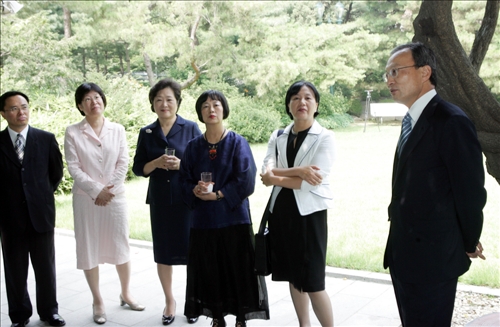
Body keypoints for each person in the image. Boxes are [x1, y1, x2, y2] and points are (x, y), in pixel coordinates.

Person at [382, 42, 487, 327]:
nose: (389, 79)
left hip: (433, 260)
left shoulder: (450, 121)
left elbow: (470, 191)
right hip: (404, 255)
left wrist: (468, 240)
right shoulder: (411, 120)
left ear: (425, 71)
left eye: (396, 71)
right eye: (386, 74)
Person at [179, 90, 269, 327]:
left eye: (216, 105)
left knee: (238, 270)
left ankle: (241, 317)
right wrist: (195, 191)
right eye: (206, 106)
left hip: (233, 220)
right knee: (209, 271)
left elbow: (246, 180)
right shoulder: (193, 147)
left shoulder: (237, 142)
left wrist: (218, 194)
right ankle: (217, 317)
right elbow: (184, 179)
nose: (211, 110)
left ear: (224, 110)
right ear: (200, 112)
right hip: (203, 221)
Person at [64, 83, 145, 325]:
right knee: (89, 248)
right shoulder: (73, 132)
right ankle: (97, 301)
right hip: (86, 200)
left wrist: (107, 190)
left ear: (103, 100)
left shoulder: (117, 129)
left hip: (115, 197)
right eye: (87, 99)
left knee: (120, 244)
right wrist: (96, 190)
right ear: (80, 106)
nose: (93, 102)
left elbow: (123, 160)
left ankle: (126, 292)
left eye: (97, 97)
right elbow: (73, 166)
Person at [260, 81, 336, 327]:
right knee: (294, 276)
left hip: (309, 216)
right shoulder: (279, 135)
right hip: (282, 213)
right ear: (288, 105)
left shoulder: (325, 137)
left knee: (313, 282)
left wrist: (279, 177)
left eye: (308, 98)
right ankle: (304, 325)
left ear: (316, 105)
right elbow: (265, 173)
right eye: (295, 98)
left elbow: (312, 183)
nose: (301, 102)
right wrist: (299, 171)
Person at [132, 78, 202, 325]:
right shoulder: (147, 132)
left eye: (169, 99)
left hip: (186, 200)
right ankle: (169, 301)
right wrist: (155, 163)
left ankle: (193, 302)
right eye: (159, 100)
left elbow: (201, 166)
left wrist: (181, 165)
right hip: (160, 201)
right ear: (152, 104)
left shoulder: (192, 128)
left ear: (178, 103)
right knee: (163, 253)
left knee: (192, 252)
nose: (164, 104)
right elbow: (138, 168)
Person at [0, 91, 66, 327]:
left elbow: (56, 174)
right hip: (9, 219)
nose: (21, 112)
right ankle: (19, 315)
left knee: (46, 268)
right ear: (3, 113)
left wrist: (40, 196)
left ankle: (50, 312)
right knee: (15, 271)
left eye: (24, 106)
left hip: (41, 215)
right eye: (14, 108)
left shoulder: (45, 139)